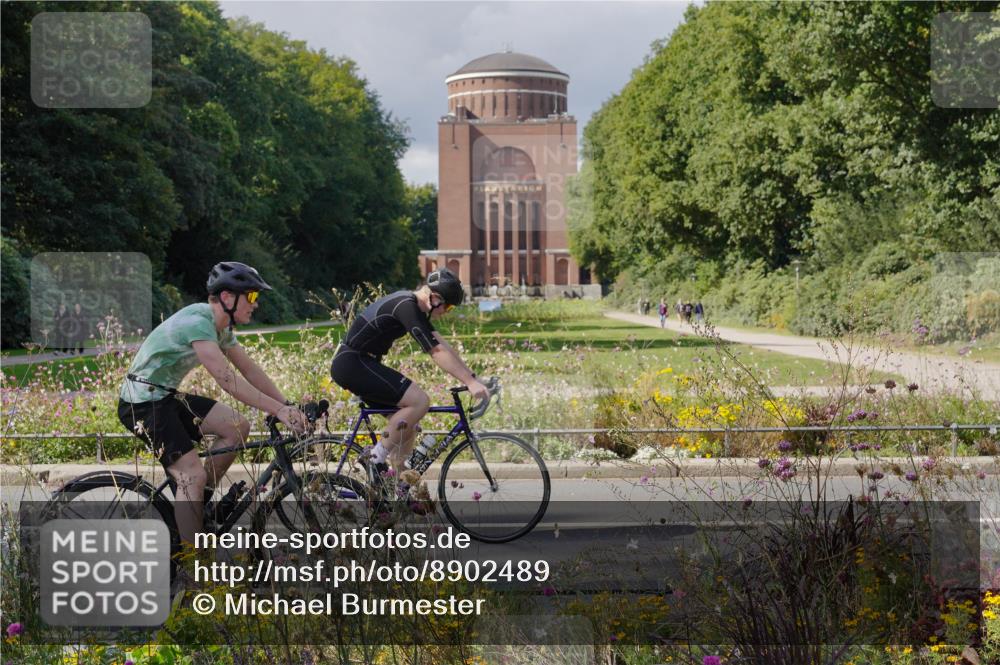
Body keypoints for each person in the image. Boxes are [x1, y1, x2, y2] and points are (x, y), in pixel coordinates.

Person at [118, 261, 309, 546]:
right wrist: (278, 410)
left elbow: (249, 369)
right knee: (191, 475)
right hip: (142, 403)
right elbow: (227, 379)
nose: (255, 304)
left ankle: (197, 506)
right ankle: (193, 570)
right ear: (228, 297)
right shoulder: (198, 322)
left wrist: (287, 405)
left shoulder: (220, 329)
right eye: (252, 296)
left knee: (237, 426)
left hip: (164, 396)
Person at [330, 268, 488, 483]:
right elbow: (435, 351)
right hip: (353, 363)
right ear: (435, 298)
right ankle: (373, 459)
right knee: (419, 401)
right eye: (448, 306)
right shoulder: (406, 306)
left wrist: (472, 377)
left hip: (359, 362)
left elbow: (441, 343)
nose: (447, 311)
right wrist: (469, 382)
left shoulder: (411, 306)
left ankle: (397, 486)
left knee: (407, 425)